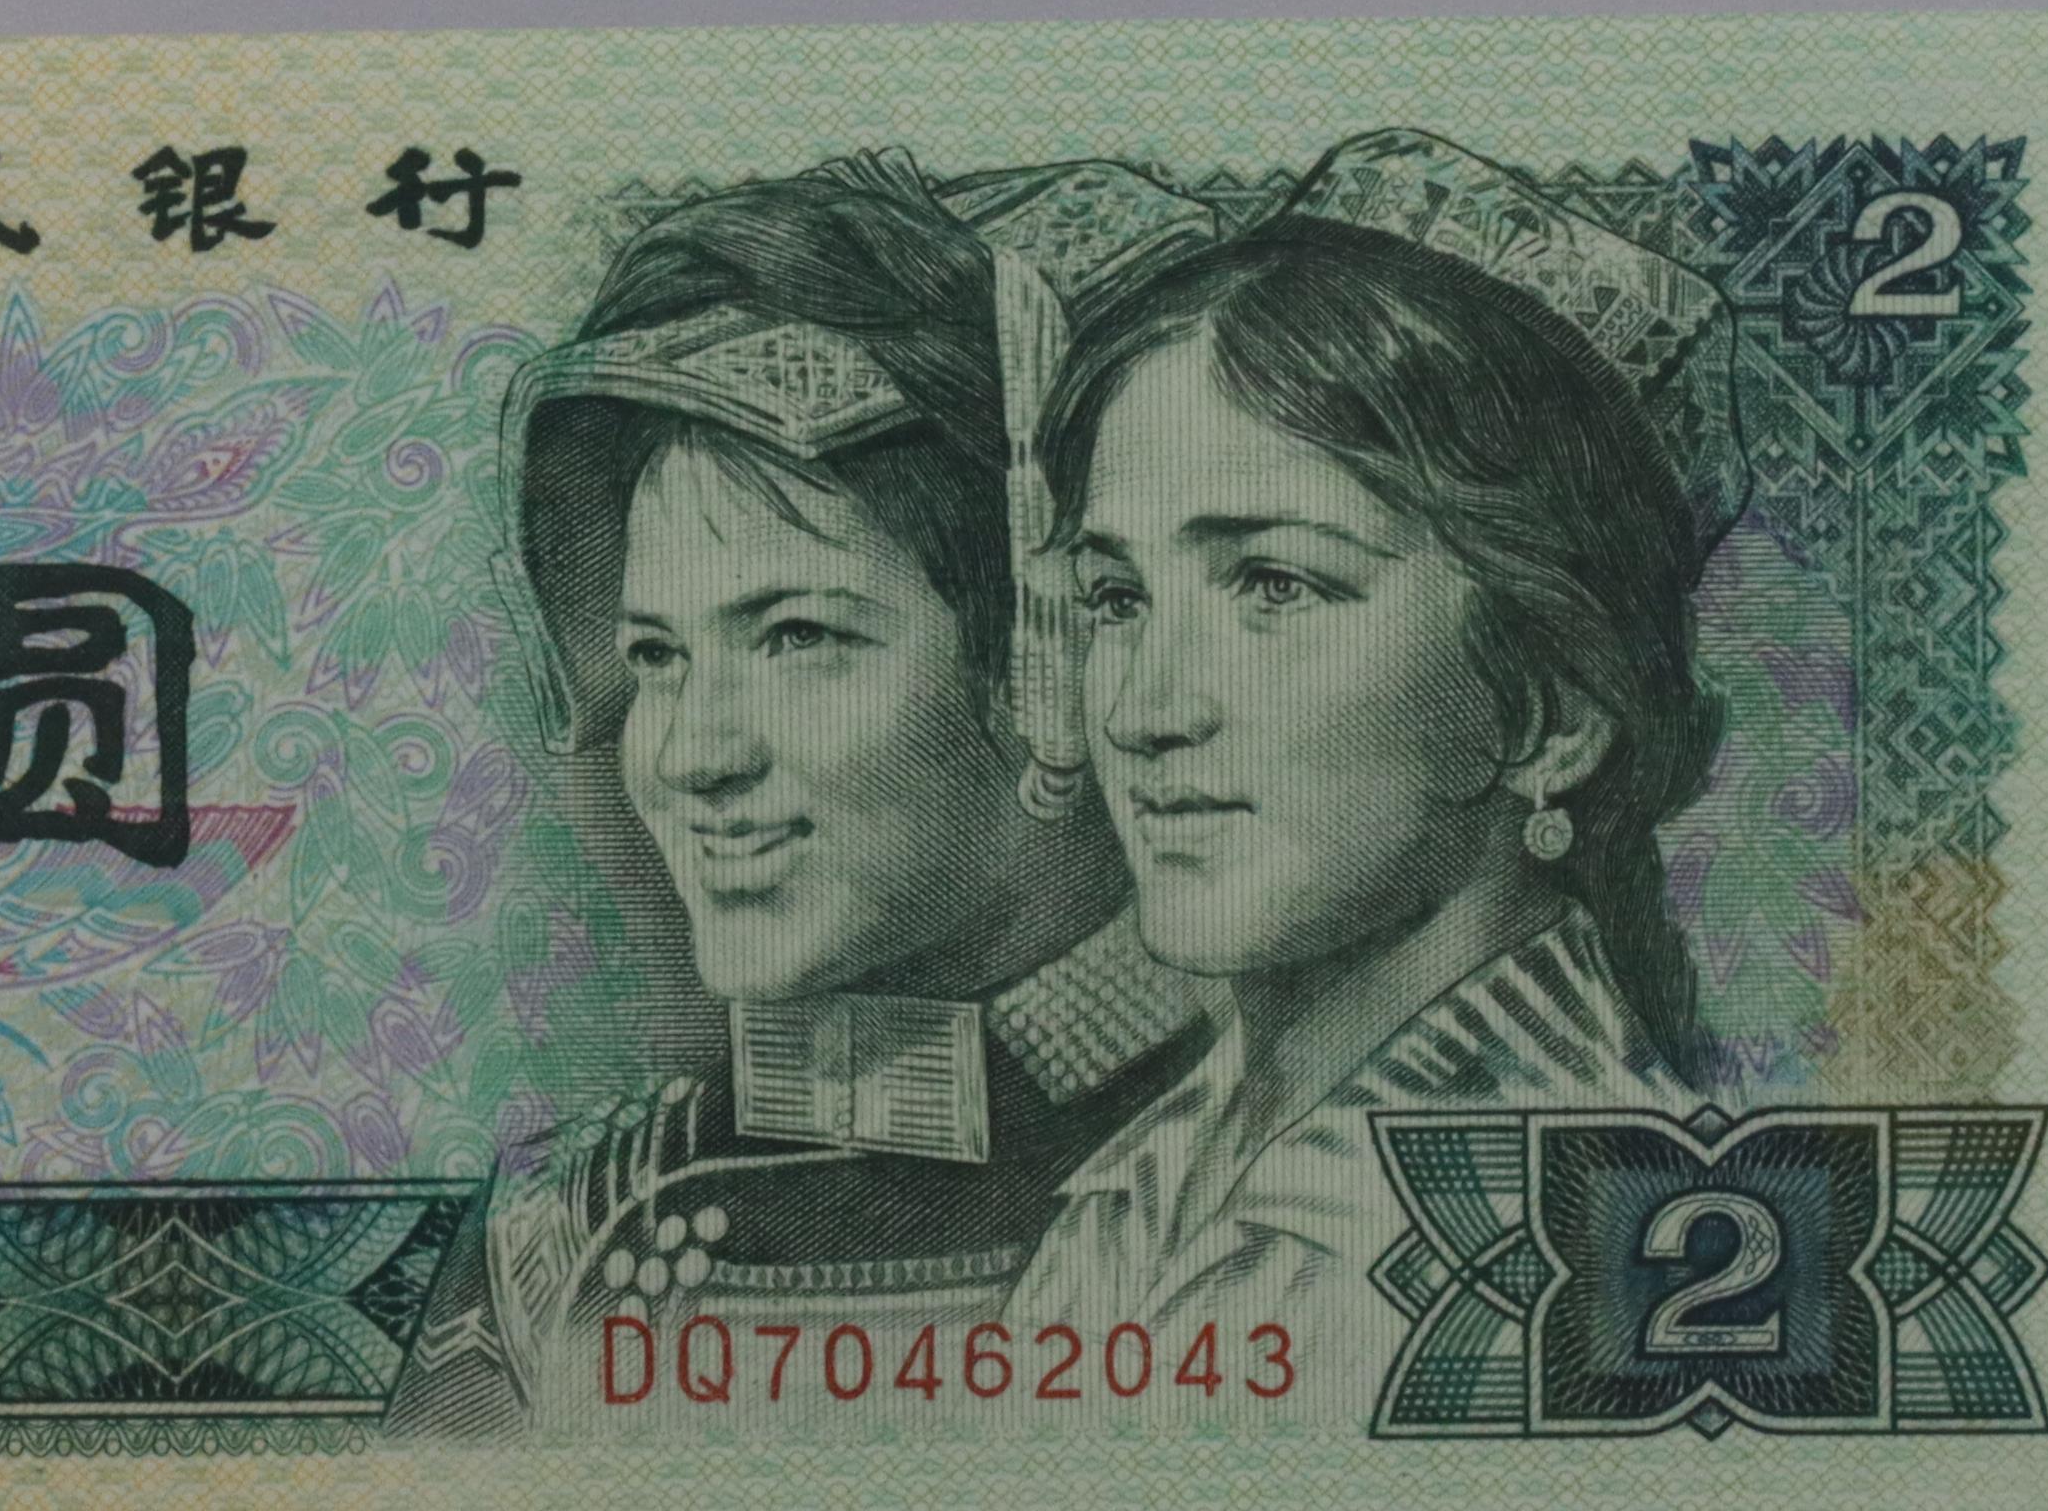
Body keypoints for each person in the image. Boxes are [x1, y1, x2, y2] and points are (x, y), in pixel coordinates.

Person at [389, 155, 1224, 1433]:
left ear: (1044, 659)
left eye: (795, 637)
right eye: (657, 657)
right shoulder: (566, 1235)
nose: (689, 754)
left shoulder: (1287, 1169)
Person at [998, 134, 1725, 1401]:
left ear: (1550, 709)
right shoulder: (1137, 1188)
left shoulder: (1591, 1241)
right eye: (1117, 597)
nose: (1144, 710)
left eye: (1274, 584)